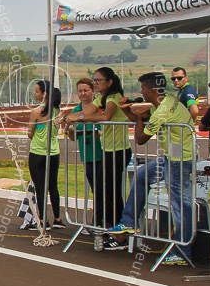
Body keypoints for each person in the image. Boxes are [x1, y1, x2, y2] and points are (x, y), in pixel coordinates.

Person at [105, 72, 195, 265]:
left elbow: (140, 138)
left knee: (181, 206)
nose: (141, 92)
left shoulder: (163, 111)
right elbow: (140, 122)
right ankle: (129, 223)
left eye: (143, 89)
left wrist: (137, 116)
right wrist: (131, 112)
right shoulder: (166, 102)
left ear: (152, 89)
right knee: (141, 175)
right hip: (172, 157)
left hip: (179, 161)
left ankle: (183, 251)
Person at [66, 67, 132, 228]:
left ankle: (116, 226)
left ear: (109, 82)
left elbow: (105, 116)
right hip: (108, 150)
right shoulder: (101, 98)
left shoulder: (114, 97)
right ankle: (112, 225)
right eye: (94, 80)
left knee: (108, 191)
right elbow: (87, 111)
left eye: (98, 80)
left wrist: (78, 117)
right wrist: (69, 116)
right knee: (106, 191)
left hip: (119, 150)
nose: (95, 83)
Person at [59, 78, 105, 228]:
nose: (83, 93)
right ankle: (98, 220)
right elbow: (71, 136)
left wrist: (86, 131)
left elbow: (102, 131)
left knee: (105, 190)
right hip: (88, 156)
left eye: (86, 90)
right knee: (95, 189)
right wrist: (72, 131)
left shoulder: (100, 106)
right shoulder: (76, 110)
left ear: (93, 91)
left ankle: (102, 221)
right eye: (80, 91)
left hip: (104, 153)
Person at [27, 80, 64, 229]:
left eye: (37, 91)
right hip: (54, 152)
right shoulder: (58, 112)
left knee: (40, 187)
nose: (35, 94)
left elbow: (30, 133)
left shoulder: (36, 112)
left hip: (37, 152)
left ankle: (43, 220)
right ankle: (58, 218)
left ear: (44, 94)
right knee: (53, 186)